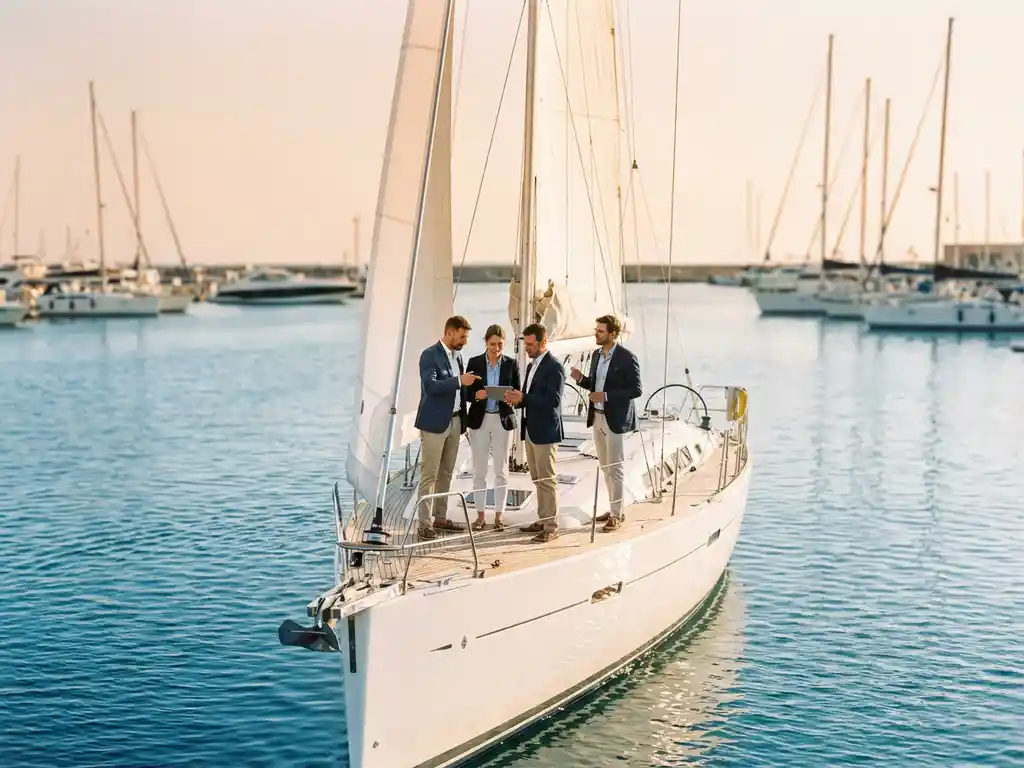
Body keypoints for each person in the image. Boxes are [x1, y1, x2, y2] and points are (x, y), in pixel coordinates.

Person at [570, 314, 642, 532]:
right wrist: (581, 379)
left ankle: (617, 515)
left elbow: (636, 390)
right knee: (604, 467)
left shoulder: (627, 358)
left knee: (615, 468)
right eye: (596, 329)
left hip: (615, 420)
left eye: (600, 331)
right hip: (597, 418)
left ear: (612, 334)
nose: (596, 333)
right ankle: (612, 509)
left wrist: (606, 396)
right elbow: (595, 385)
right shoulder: (595, 356)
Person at [414, 315, 481, 541]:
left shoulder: (458, 357)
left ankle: (440, 518)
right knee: (429, 475)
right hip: (433, 424)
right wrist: (459, 381)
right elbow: (430, 387)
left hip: (454, 422)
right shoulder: (429, 355)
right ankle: (424, 524)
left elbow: (460, 391)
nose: (464, 341)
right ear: (450, 332)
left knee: (446, 473)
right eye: (462, 336)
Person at [504, 322, 564, 542]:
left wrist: (524, 398)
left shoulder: (554, 367)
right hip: (530, 429)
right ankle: (542, 519)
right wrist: (516, 400)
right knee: (538, 479)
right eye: (525, 343)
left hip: (546, 431)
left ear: (543, 341)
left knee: (547, 480)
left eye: (530, 344)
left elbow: (553, 401)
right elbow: (529, 397)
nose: (527, 348)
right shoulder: (531, 366)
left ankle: (551, 527)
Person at [466, 324, 520, 531]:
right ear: (485, 343)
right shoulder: (475, 363)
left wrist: (511, 398)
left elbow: (517, 391)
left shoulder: (511, 364)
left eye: (500, 344)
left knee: (501, 469)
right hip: (480, 420)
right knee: (479, 469)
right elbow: (465, 394)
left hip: (502, 419)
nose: (496, 348)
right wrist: (475, 395)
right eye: (492, 344)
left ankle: (499, 515)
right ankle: (480, 516)